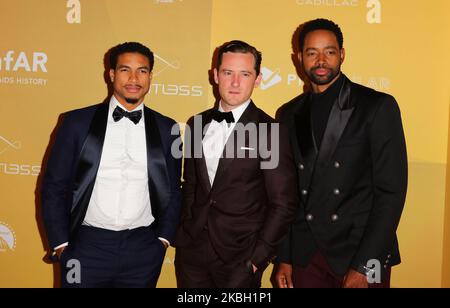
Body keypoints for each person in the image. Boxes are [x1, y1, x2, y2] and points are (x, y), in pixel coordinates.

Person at [273, 19, 408, 288]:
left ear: (342, 54)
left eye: (330, 52)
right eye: (312, 52)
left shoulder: (377, 107)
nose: (321, 60)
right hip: (307, 255)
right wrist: (285, 256)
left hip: (362, 250)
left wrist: (364, 266)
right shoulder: (288, 114)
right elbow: (287, 193)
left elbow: (391, 194)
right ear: (299, 58)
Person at [41, 42, 182, 288]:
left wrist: (162, 240)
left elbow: (174, 189)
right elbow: (54, 186)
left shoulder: (166, 128)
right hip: (85, 248)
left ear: (150, 76)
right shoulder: (76, 123)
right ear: (112, 74)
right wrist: (62, 245)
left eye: (143, 71)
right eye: (125, 70)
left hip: (143, 250)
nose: (134, 78)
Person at [174, 40, 298, 288]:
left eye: (245, 74)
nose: (235, 82)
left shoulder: (269, 131)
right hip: (192, 253)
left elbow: (283, 204)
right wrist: (187, 227)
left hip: (241, 258)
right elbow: (191, 184)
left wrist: (257, 259)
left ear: (258, 78)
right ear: (215, 75)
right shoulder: (197, 123)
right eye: (228, 73)